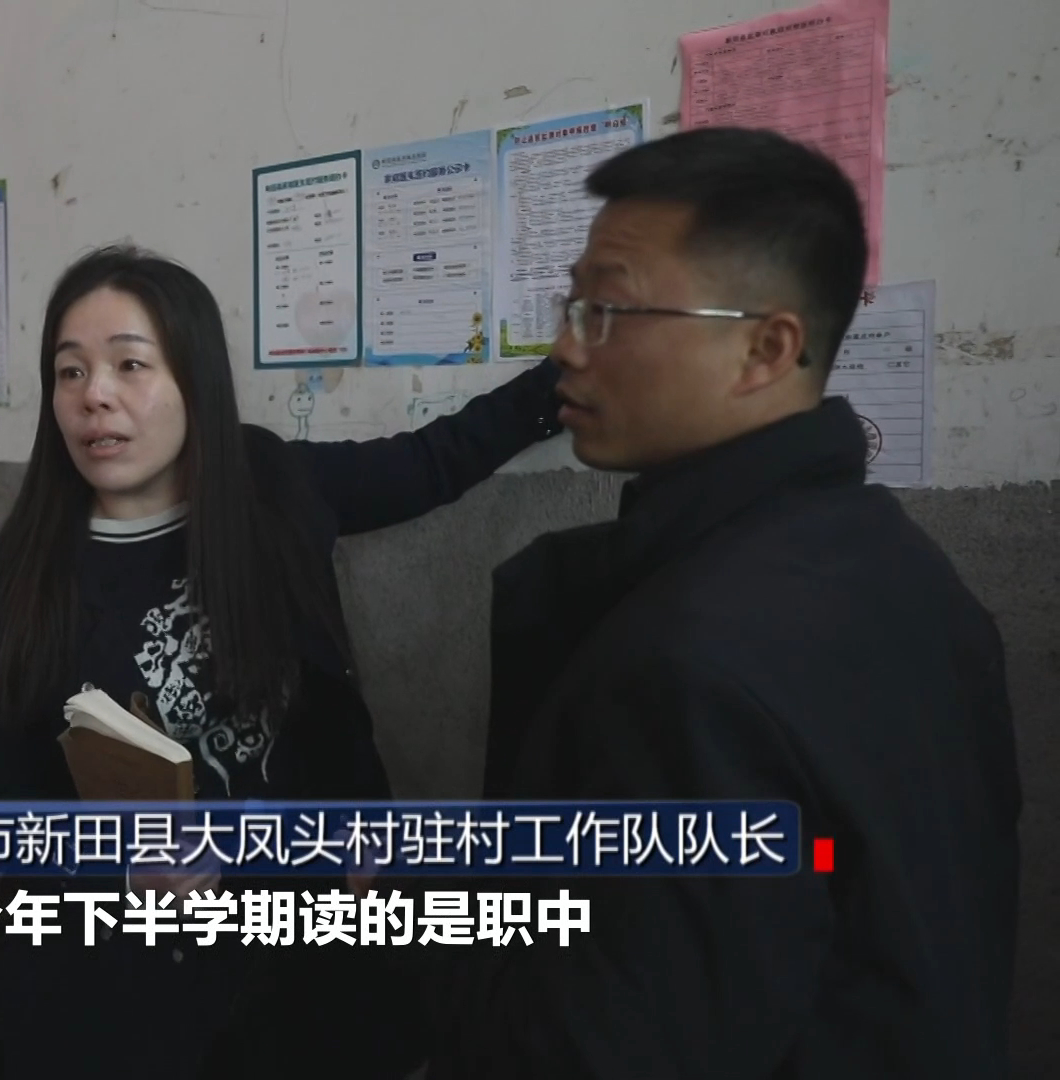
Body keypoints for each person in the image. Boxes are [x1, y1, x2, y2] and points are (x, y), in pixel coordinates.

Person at [210, 127, 1022, 1078]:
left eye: (607, 312)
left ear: (765, 347)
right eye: (572, 306)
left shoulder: (690, 667)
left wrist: (395, 913)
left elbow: (597, 1041)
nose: (566, 348)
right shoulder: (900, 567)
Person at [0, 244, 564, 1078]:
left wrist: (568, 378)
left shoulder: (270, 484)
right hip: (139, 990)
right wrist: (116, 867)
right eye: (71, 372)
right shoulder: (6, 586)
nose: (95, 394)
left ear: (195, 382)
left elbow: (433, 460)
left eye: (130, 364)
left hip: (322, 949)